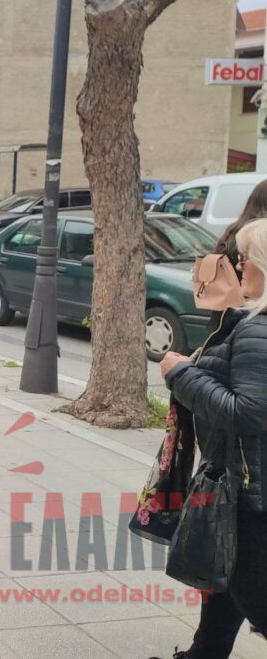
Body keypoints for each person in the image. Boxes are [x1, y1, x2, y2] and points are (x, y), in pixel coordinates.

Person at [158, 216, 267, 658]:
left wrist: (179, 374)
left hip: (250, 495)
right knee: (226, 589)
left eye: (245, 257)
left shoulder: (259, 327)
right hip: (249, 486)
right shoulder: (251, 321)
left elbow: (248, 412)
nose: (238, 265)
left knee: (248, 590)